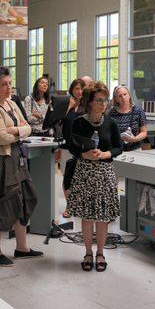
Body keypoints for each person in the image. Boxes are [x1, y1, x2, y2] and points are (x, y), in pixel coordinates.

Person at [0, 66, 42, 267]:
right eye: (3, 85)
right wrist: (20, 131)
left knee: (24, 199)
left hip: (16, 157)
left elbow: (27, 127)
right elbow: (0, 138)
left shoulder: (12, 104)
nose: (8, 88)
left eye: (10, 84)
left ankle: (21, 247)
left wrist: (15, 129)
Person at [67, 81, 122, 272]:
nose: (103, 103)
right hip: (85, 172)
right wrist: (84, 154)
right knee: (87, 215)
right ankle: (88, 252)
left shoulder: (111, 122)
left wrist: (107, 154)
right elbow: (72, 146)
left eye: (105, 100)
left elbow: (118, 147)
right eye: (99, 100)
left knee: (103, 216)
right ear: (89, 102)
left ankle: (100, 252)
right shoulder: (79, 122)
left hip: (104, 172)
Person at [61, 78, 86, 218]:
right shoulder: (67, 103)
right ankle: (69, 206)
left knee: (80, 178)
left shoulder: (87, 106)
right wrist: (68, 107)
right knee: (67, 178)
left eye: (82, 88)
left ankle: (79, 205)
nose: (79, 91)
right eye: (77, 88)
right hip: (66, 145)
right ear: (72, 90)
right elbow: (58, 121)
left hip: (81, 148)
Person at [109, 85, 148, 151]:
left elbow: (144, 132)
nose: (123, 98)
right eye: (120, 96)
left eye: (125, 94)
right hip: (116, 149)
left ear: (129, 95)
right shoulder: (111, 113)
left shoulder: (138, 111)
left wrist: (134, 139)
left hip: (135, 148)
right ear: (116, 99)